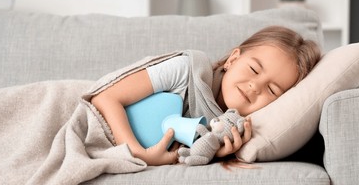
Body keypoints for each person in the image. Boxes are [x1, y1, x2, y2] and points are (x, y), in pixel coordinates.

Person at [91, 26, 321, 166]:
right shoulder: (187, 69)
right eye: (254, 69)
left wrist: (217, 153)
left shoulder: (232, 129)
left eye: (272, 90)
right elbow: (105, 98)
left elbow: (184, 154)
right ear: (233, 59)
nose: (254, 86)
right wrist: (139, 154)